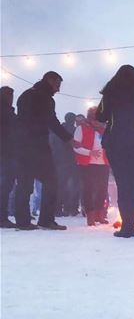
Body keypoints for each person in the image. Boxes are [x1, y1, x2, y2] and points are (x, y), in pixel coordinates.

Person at [96, 64, 134, 238]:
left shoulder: (109, 93)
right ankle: (130, 226)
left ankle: (125, 227)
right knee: (133, 185)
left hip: (115, 142)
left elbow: (100, 116)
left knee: (122, 184)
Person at [14, 71, 73, 230]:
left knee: (24, 184)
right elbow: (51, 121)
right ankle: (46, 219)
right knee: (51, 181)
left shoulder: (26, 95)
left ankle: (23, 220)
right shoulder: (44, 98)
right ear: (50, 80)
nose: (58, 89)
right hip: (37, 146)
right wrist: (68, 139)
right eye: (58, 85)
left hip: (22, 145)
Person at [73, 107, 110, 226]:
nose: (96, 119)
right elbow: (76, 147)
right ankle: (90, 216)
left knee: (102, 189)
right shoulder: (81, 128)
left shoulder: (103, 129)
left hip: (103, 163)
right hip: (87, 163)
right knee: (88, 189)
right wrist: (90, 152)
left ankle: (100, 214)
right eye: (94, 116)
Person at [52, 112, 81, 217]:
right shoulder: (75, 131)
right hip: (73, 162)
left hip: (59, 162)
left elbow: (53, 145)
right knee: (74, 186)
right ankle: (72, 208)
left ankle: (58, 208)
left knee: (60, 186)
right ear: (73, 120)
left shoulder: (57, 131)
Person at [0, 86, 18, 228]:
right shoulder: (7, 113)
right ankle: (1, 217)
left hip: (8, 153)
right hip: (6, 154)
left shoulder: (9, 113)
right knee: (4, 186)